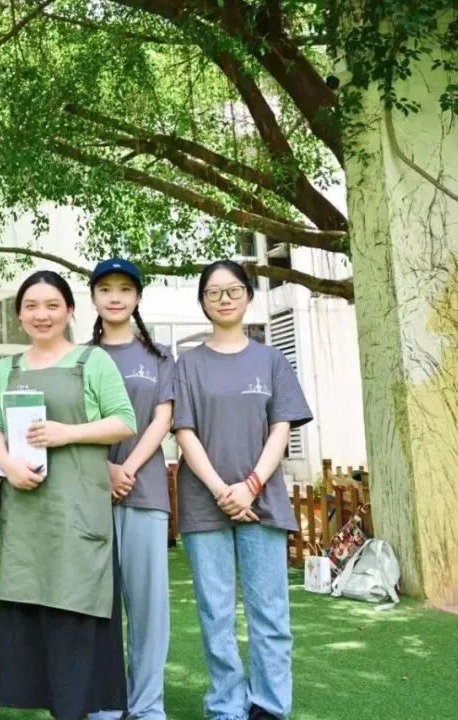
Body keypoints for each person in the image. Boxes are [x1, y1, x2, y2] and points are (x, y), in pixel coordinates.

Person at [0, 270, 137, 720]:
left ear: (70, 310)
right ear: (19, 315)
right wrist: (8, 465)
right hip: (28, 516)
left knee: (75, 612)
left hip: (77, 514)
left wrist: (65, 433)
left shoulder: (93, 361)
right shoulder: (7, 368)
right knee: (34, 616)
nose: (42, 315)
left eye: (52, 305)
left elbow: (124, 421)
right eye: (31, 306)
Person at [172, 260, 312, 720]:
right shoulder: (187, 363)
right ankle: (227, 706)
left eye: (233, 290)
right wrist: (221, 491)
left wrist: (250, 486)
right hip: (204, 504)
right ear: (202, 302)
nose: (224, 299)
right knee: (216, 614)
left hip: (263, 502)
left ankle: (270, 705)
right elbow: (184, 432)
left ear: (249, 295)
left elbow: (281, 428)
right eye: (213, 292)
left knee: (269, 611)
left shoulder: (272, 360)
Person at [87, 258, 175, 720]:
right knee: (97, 605)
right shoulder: (79, 357)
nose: (115, 297)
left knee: (148, 608)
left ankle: (147, 706)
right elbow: (71, 422)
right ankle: (105, 704)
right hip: (89, 496)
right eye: (106, 289)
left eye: (125, 289)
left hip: (145, 493)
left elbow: (163, 419)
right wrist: (104, 470)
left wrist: (126, 469)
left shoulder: (159, 356)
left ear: (137, 297)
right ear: (93, 298)